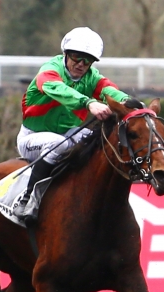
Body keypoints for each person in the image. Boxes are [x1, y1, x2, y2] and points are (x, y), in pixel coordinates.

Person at [13, 27, 132, 220]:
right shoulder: (50, 70)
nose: (81, 64)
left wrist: (129, 103)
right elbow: (59, 89)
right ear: (66, 54)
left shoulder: (92, 77)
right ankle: (27, 200)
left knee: (99, 141)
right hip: (32, 138)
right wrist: (89, 102)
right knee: (58, 144)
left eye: (88, 60)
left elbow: (110, 90)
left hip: (68, 134)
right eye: (77, 57)